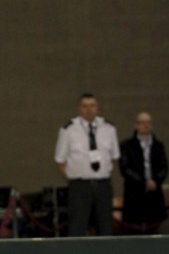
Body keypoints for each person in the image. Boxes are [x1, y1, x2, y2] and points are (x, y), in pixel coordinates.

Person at [54, 93, 120, 236]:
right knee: (77, 226)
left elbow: (114, 157)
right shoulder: (68, 129)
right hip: (79, 186)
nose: (89, 110)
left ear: (98, 107)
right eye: (85, 106)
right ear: (79, 108)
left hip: (103, 185)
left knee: (105, 226)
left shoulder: (109, 128)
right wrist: (74, 178)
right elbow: (60, 161)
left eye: (92, 106)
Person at [119, 112, 168, 234]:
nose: (145, 125)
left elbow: (164, 167)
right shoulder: (126, 146)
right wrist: (143, 182)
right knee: (134, 232)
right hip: (134, 194)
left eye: (148, 122)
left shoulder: (158, 146)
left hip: (154, 195)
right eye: (142, 122)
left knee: (155, 231)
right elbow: (125, 168)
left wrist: (155, 181)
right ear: (136, 125)